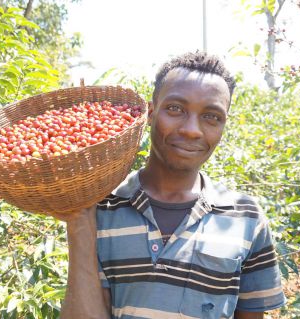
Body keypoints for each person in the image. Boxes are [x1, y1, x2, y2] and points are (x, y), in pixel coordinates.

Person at [56, 51, 286, 319]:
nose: (191, 129)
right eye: (175, 109)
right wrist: (78, 222)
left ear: (223, 126)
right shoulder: (102, 209)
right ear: (150, 113)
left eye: (212, 116)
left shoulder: (246, 217)